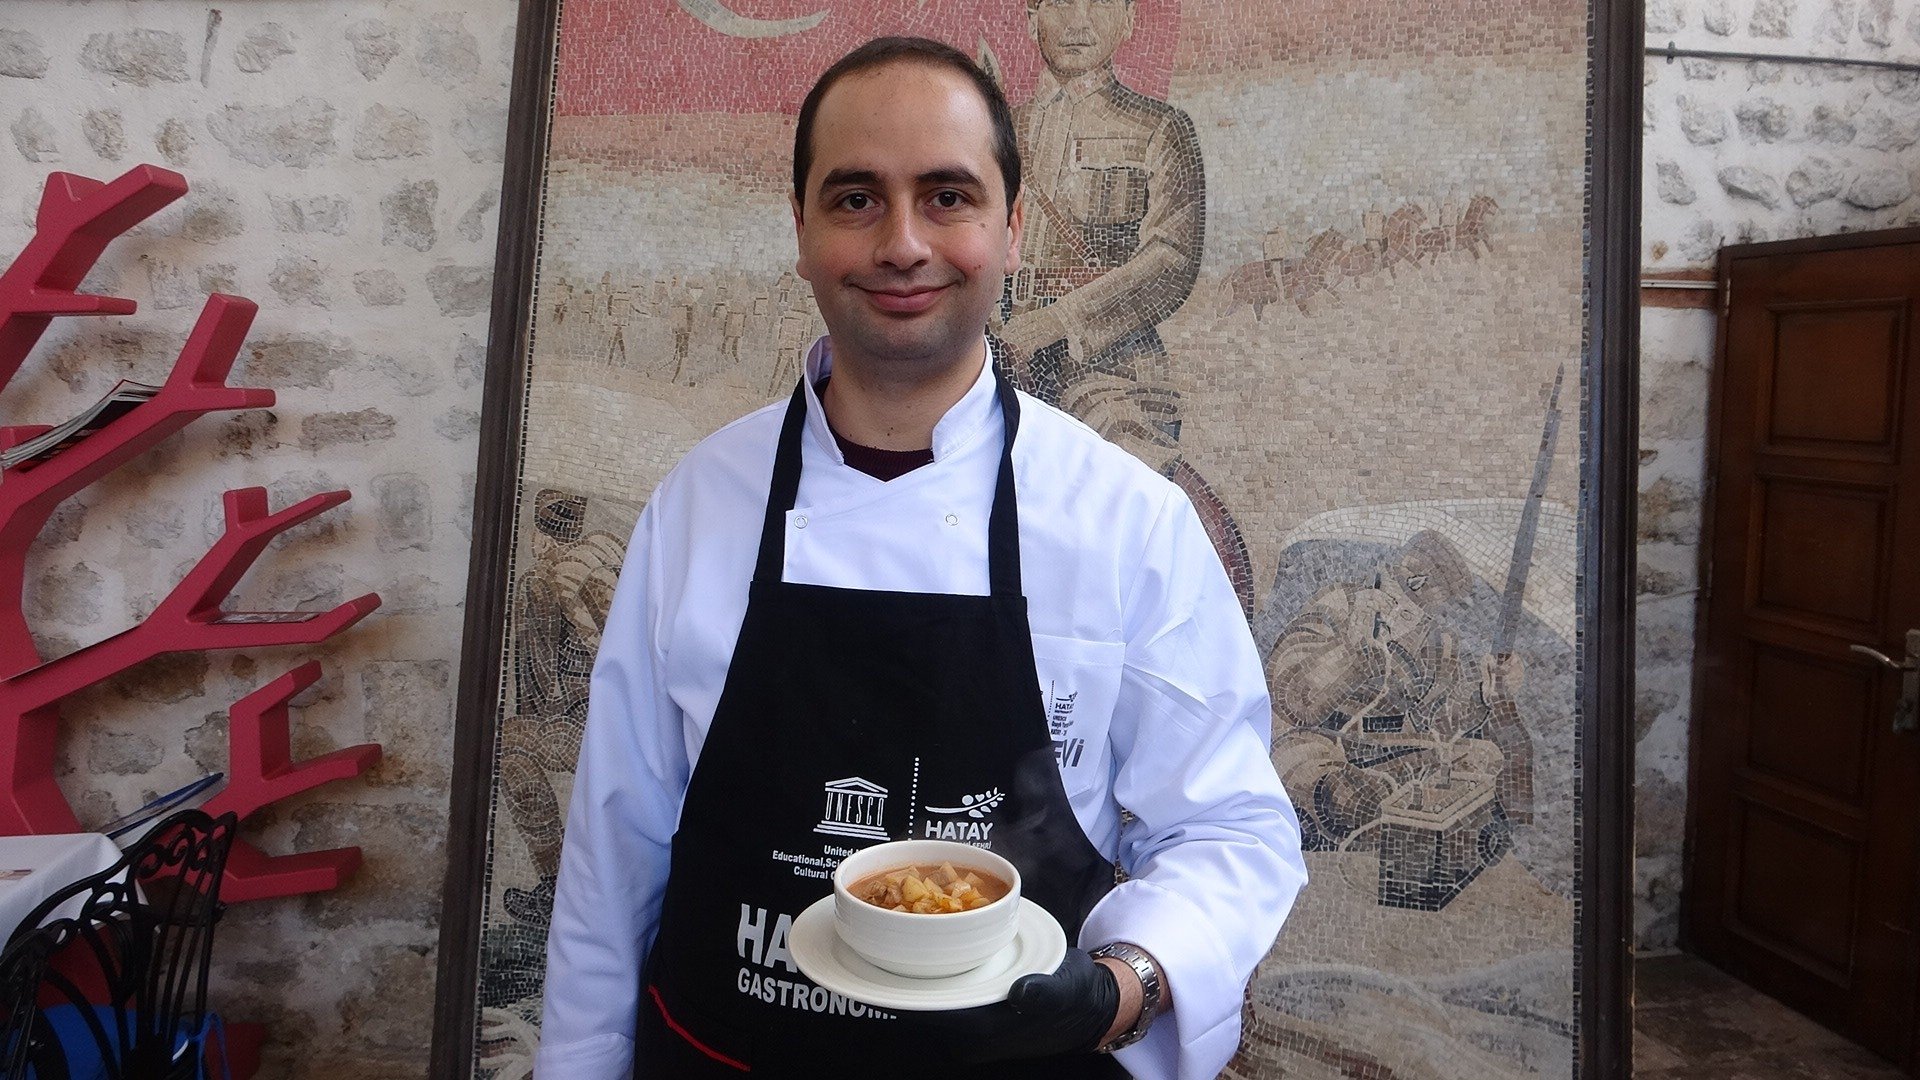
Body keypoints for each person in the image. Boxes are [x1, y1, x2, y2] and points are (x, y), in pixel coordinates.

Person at [537, 36, 1304, 1079]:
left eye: (948, 197)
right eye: (856, 199)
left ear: (1013, 228)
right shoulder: (700, 505)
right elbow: (611, 853)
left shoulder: (1129, 521)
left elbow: (1230, 830)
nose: (903, 243)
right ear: (800, 231)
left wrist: (1126, 985)